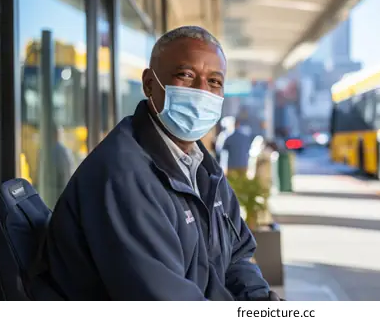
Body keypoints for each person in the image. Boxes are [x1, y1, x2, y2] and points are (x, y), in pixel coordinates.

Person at [44, 26, 281, 301]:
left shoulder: (203, 167)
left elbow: (236, 257)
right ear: (149, 84)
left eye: (214, 81)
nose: (202, 91)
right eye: (186, 75)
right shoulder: (123, 177)